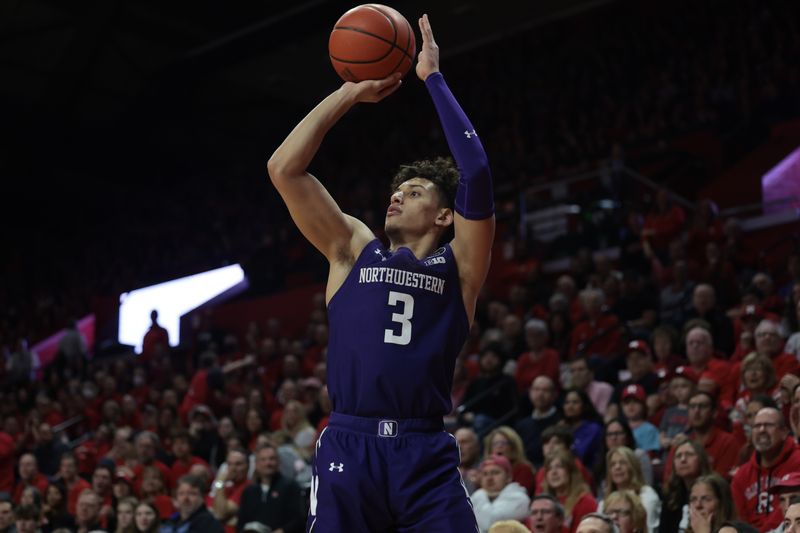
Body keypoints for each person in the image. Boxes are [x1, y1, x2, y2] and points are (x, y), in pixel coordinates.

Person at [268, 13, 494, 532]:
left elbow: (476, 172)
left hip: (425, 450)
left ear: (443, 216)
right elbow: (284, 169)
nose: (397, 195)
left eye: (415, 192)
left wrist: (432, 79)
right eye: (397, 189)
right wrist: (348, 93)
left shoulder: (460, 266)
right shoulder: (352, 249)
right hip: (351, 442)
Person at [732, 407, 800, 531]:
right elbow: (739, 519)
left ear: (784, 431)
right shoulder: (742, 475)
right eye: (757, 426)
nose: (762, 430)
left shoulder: (798, 460)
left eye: (768, 425)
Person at [236, 444, 305, 533]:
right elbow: (241, 523)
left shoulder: (291, 486)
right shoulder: (249, 492)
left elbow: (299, 519)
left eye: (272, 459)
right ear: (256, 464)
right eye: (263, 460)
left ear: (278, 462)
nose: (268, 463)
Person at [600, 447, 660, 532]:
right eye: (613, 464)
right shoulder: (604, 501)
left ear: (633, 466)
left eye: (623, 463)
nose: (617, 467)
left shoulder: (647, 495)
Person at [661, 439, 713, 532]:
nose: (683, 459)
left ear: (701, 459)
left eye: (689, 454)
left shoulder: (713, 491)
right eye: (678, 456)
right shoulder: (670, 495)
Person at [540, 449, 598, 533]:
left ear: (571, 472)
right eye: (549, 469)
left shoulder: (585, 502)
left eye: (559, 467)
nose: (553, 472)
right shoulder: (542, 502)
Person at [471, 455, 530, 533]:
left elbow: (489, 523)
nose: (489, 478)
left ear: (509, 477)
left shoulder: (520, 499)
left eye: (495, 473)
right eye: (485, 474)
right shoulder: (476, 497)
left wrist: (480, 493)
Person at [515, 376, 561, 468]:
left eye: (545, 390)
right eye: (536, 389)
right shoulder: (522, 425)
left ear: (554, 394)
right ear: (530, 393)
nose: (540, 394)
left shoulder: (561, 421)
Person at [483, 426, 536, 495]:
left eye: (503, 443)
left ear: (513, 447)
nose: (499, 446)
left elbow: (518, 496)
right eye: (495, 443)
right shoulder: (485, 470)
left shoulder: (523, 469)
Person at [454, 427, 482, 494]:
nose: (460, 446)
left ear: (476, 446)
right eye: (457, 443)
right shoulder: (447, 470)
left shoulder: (486, 469)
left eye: (464, 442)